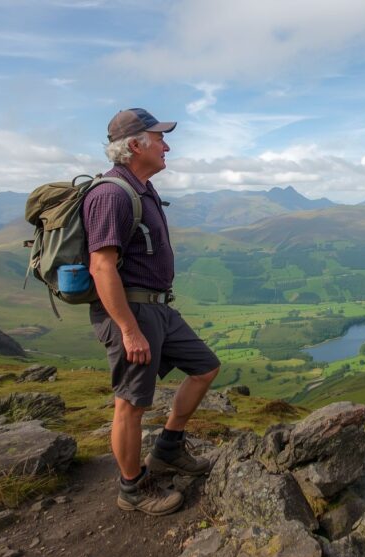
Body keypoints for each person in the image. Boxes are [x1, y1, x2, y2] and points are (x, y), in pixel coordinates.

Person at [84, 108, 221, 515]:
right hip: (133, 313)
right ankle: (132, 489)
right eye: (159, 138)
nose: (167, 146)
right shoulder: (111, 194)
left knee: (205, 367)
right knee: (131, 403)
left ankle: (168, 449)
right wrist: (128, 330)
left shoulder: (140, 188)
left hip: (160, 308)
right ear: (134, 145)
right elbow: (101, 266)